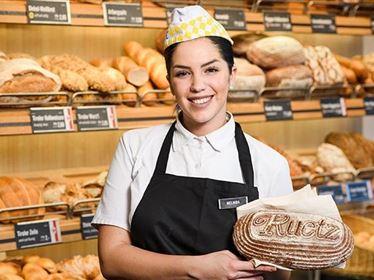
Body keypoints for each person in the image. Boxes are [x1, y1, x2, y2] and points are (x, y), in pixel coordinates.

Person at [92, 5, 293, 280]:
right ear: (170, 82)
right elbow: (112, 259)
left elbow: (280, 274)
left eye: (211, 70)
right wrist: (197, 269)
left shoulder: (270, 164)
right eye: (183, 73)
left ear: (231, 75)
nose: (198, 85)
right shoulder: (134, 146)